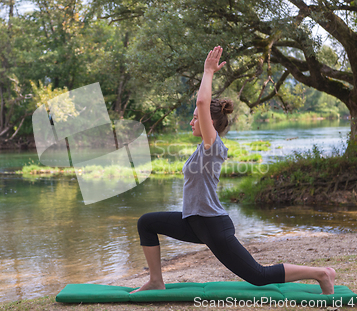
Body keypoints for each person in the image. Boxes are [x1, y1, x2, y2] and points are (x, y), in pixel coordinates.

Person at [131, 46, 336, 295]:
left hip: (212, 226)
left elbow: (202, 101)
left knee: (258, 276)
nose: (192, 121)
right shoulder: (201, 149)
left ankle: (321, 274)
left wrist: (208, 72)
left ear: (211, 123)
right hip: (193, 221)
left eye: (196, 118)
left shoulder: (212, 146)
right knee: (147, 223)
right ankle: (155, 280)